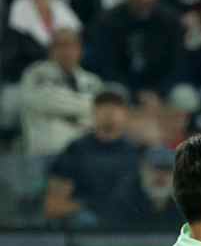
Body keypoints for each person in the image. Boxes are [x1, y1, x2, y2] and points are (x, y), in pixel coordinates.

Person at [43, 87, 142, 227]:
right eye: (103, 106)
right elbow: (53, 206)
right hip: (88, 227)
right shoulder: (76, 150)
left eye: (116, 106)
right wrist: (88, 206)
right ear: (93, 112)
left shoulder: (137, 152)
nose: (109, 111)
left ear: (126, 113)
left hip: (130, 229)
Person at [19, 27, 102, 157]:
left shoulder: (92, 81)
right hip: (48, 154)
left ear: (80, 50)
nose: (66, 51)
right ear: (50, 50)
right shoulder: (35, 74)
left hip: (85, 155)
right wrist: (89, 107)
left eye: (71, 45)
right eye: (60, 46)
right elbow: (50, 102)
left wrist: (70, 106)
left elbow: (101, 112)